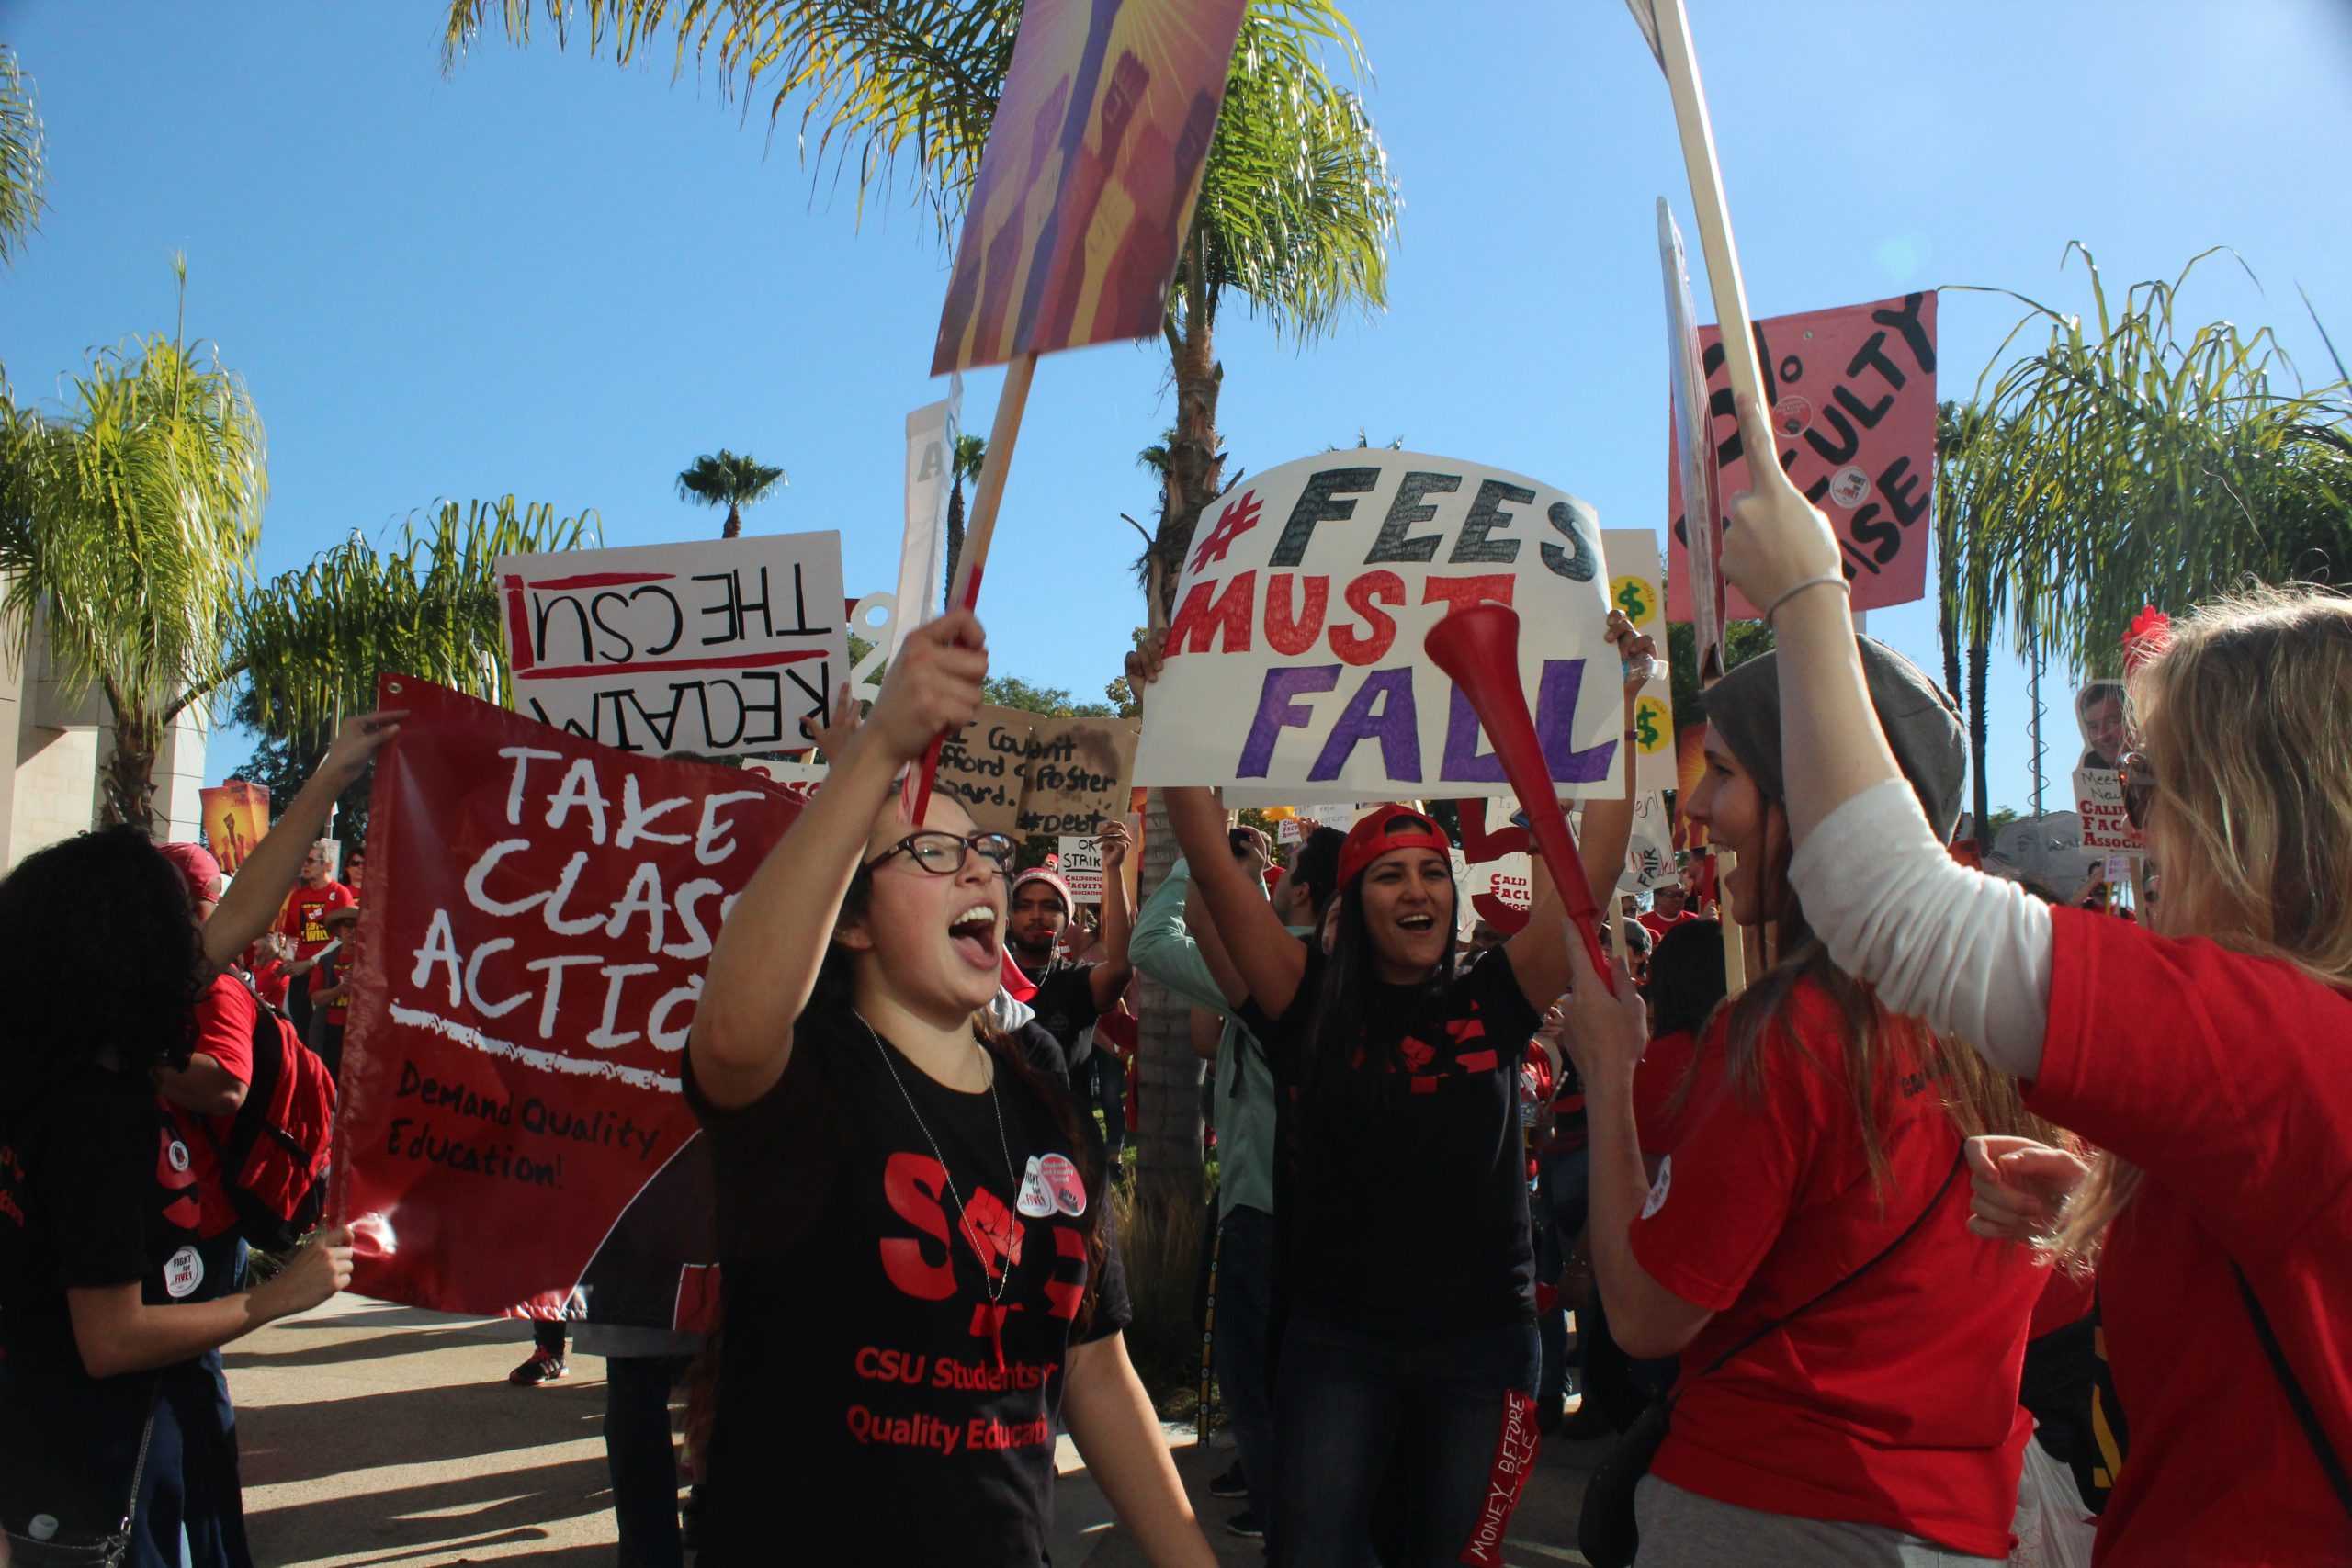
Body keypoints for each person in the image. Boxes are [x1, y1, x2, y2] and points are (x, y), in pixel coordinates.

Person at [1712, 389, 2352, 1561]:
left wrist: (1806, 596)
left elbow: (1883, 902)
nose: (2143, 829)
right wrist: (2113, 1221)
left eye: (2159, 789)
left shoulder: (2292, 1047)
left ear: (2263, 816)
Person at [684, 610, 1214, 1567]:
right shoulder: (802, 1072)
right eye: (932, 852)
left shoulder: (1039, 1081)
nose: (978, 866)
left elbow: (1093, 1367)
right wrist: (875, 752)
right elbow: (728, 1029)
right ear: (851, 924)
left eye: (987, 852)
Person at [1134, 612, 1650, 1564]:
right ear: (1352, 904)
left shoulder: (1496, 996)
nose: (1416, 891)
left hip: (1484, 1352)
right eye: (1388, 878)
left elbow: (1595, 867)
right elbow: (1211, 861)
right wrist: (1169, 714)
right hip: (1338, 1350)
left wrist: (1619, 695)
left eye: (1430, 874)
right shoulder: (1303, 1001)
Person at [1557, 587, 2060, 1561]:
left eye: (1728, 774)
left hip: (1770, 1517)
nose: (1699, 805)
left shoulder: (1792, 1030)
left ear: (1816, 801)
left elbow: (1645, 1317)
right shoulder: (2011, 1003)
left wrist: (1612, 1075)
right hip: (1966, 1524)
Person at [0, 713, 397, 1565]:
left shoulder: (71, 1043)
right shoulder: (93, 1115)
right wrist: (274, 1296)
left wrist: (329, 778)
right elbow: (111, 1338)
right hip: (90, 1469)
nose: (195, 942)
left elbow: (240, 914)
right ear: (120, 956)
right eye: (167, 926)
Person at [1130, 819, 1345, 1547]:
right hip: (1327, 1206)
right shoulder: (1360, 968)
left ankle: (1281, 1506)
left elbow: (1152, 943)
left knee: (1252, 1373)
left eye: (1286, 867)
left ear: (1307, 889)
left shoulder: (1277, 970)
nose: (1274, 870)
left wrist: (1206, 866)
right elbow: (1201, 1031)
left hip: (1264, 1203)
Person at [274, 840, 354, 1045]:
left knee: (323, 1037)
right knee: (299, 1034)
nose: (305, 865)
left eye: (310, 860)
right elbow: (292, 935)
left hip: (329, 974)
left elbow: (341, 937)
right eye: (303, 860)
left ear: (327, 865)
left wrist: (310, 962)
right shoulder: (297, 896)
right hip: (301, 976)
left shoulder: (340, 894)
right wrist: (290, 963)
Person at [2073, 680, 2126, 771]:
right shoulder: (2091, 766)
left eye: (2112, 722)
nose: (2102, 735)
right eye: (2093, 727)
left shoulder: (2157, 767)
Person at [1635, 879, 1697, 943]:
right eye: (1671, 895)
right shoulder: (1641, 924)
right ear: (1657, 897)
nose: (1677, 899)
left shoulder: (1695, 920)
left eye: (1681, 894)